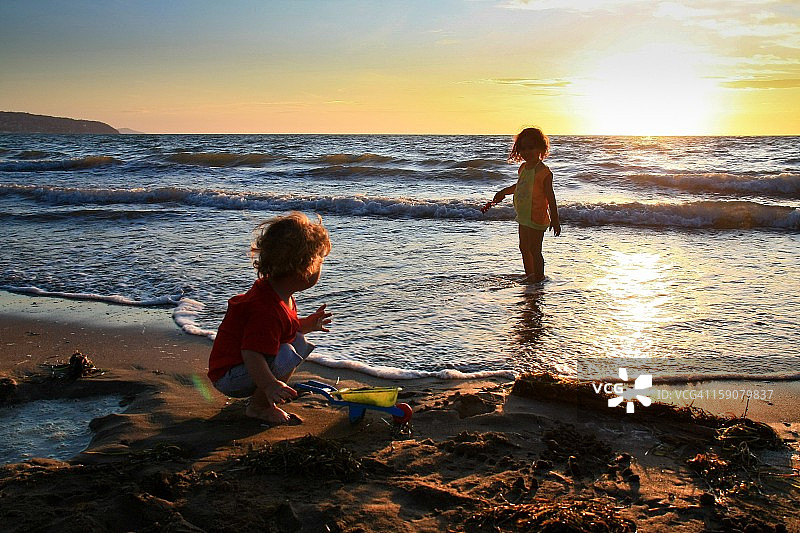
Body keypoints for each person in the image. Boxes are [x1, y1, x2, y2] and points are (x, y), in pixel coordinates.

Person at [207, 212, 332, 425]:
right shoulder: (266, 308)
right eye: (320, 261)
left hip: (241, 368)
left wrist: (307, 325)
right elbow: (251, 353)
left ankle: (262, 398)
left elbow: (284, 329)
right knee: (288, 353)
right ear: (305, 268)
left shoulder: (279, 293)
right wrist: (269, 385)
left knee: (298, 341)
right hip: (229, 376)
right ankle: (259, 407)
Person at [489, 127, 561, 282]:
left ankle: (539, 278)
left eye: (531, 147)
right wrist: (503, 192)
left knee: (535, 249)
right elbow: (519, 186)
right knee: (524, 247)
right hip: (523, 216)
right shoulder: (523, 168)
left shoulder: (544, 172)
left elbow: (551, 197)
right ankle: (530, 275)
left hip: (536, 216)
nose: (526, 152)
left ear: (541, 148)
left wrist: (555, 219)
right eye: (523, 148)